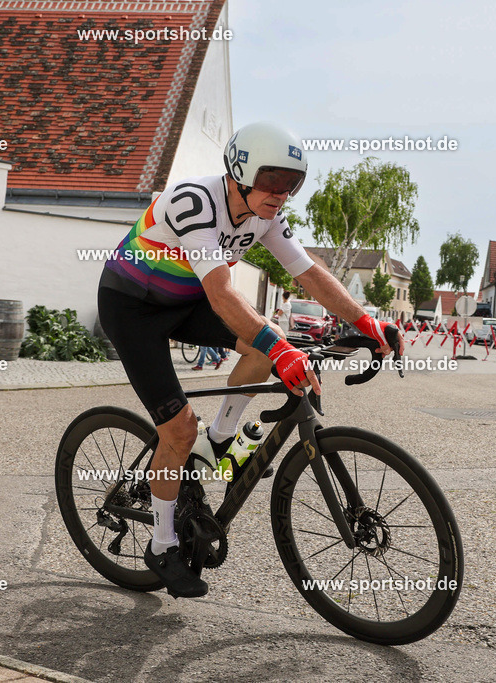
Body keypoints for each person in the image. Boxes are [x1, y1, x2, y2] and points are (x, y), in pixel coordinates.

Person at [96, 121, 403, 598]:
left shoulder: (264, 215)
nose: (281, 194)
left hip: (185, 300)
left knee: (270, 340)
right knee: (178, 429)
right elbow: (221, 293)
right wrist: (283, 353)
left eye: (292, 184)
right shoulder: (194, 202)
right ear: (239, 171)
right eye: (272, 180)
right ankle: (161, 544)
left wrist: (366, 323)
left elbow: (310, 273)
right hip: (133, 305)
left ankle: (215, 444)